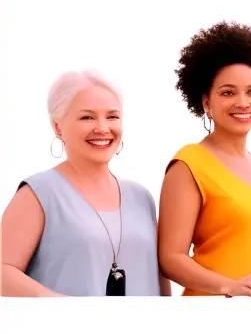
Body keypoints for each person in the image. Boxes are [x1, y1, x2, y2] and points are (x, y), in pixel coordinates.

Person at [159, 22, 251, 299]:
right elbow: (170, 258)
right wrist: (229, 287)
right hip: (213, 310)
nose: (243, 102)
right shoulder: (189, 163)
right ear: (206, 101)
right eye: (228, 92)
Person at [2, 71, 166, 297]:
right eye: (87, 117)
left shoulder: (142, 197)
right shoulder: (38, 193)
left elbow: (159, 280)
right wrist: (67, 308)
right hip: (68, 331)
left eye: (112, 116)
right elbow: (3, 272)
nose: (102, 128)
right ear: (58, 127)